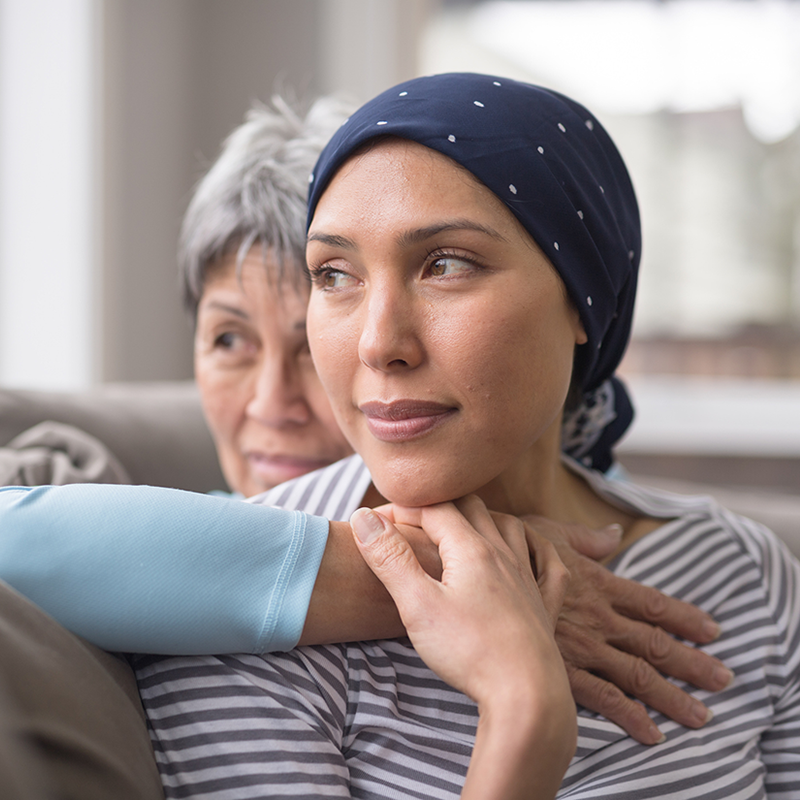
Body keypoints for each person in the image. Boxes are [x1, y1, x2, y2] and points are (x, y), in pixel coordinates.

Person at [130, 74, 800, 798]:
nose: (378, 343)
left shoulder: (744, 571)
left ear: (583, 301)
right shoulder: (233, 609)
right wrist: (523, 715)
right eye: (333, 274)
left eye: (446, 264)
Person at [0, 94, 728, 741]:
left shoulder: (697, 558)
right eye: (229, 340)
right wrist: (438, 571)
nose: (270, 404)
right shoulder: (167, 557)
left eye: (444, 266)